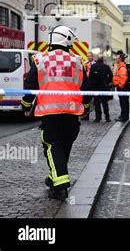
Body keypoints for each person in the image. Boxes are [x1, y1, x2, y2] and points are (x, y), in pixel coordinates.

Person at [21, 25, 91, 200]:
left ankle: (59, 185)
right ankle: (55, 177)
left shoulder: (39, 60)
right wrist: (86, 108)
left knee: (53, 146)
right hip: (72, 112)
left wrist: (26, 106)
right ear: (67, 40)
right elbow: (87, 89)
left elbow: (30, 86)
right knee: (64, 145)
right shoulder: (77, 61)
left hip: (50, 113)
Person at [90, 54, 113, 122]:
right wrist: (107, 81)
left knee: (96, 102)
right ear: (103, 59)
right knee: (104, 102)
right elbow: (111, 75)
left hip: (96, 87)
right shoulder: (106, 67)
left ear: (97, 59)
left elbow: (90, 77)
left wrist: (92, 85)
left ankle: (98, 117)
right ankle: (107, 117)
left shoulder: (93, 66)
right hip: (104, 87)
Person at [113, 51, 129, 122]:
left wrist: (120, 86)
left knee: (123, 103)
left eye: (116, 58)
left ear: (120, 59)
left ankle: (124, 117)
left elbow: (123, 79)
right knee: (124, 102)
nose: (115, 60)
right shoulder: (120, 67)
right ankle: (123, 115)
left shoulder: (122, 68)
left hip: (122, 88)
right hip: (121, 88)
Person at [81, 52, 95, 121]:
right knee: (86, 100)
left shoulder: (95, 64)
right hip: (86, 84)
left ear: (93, 57)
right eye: (87, 56)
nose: (88, 57)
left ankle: (97, 115)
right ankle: (85, 115)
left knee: (95, 101)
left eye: (90, 56)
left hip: (93, 84)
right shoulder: (85, 64)